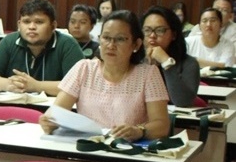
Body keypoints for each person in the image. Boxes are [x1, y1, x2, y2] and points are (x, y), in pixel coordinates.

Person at [40, 10, 170, 141]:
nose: (111, 45)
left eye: (120, 39)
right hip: (86, 148)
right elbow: (56, 113)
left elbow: (162, 125)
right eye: (106, 38)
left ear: (136, 44)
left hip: (127, 151)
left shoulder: (148, 74)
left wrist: (139, 131)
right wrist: (50, 122)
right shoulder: (84, 69)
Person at [0, 0, 85, 96]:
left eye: (39, 22)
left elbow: (78, 86)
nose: (31, 27)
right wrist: (9, 84)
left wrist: (36, 86)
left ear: (53, 26)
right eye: (26, 22)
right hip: (15, 107)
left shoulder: (68, 45)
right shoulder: (10, 41)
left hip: (53, 112)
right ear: (19, 25)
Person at [141, 6, 199, 107]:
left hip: (175, 121)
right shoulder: (135, 60)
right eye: (147, 30)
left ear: (173, 35)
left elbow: (183, 102)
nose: (152, 35)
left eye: (160, 30)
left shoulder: (188, 63)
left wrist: (166, 62)